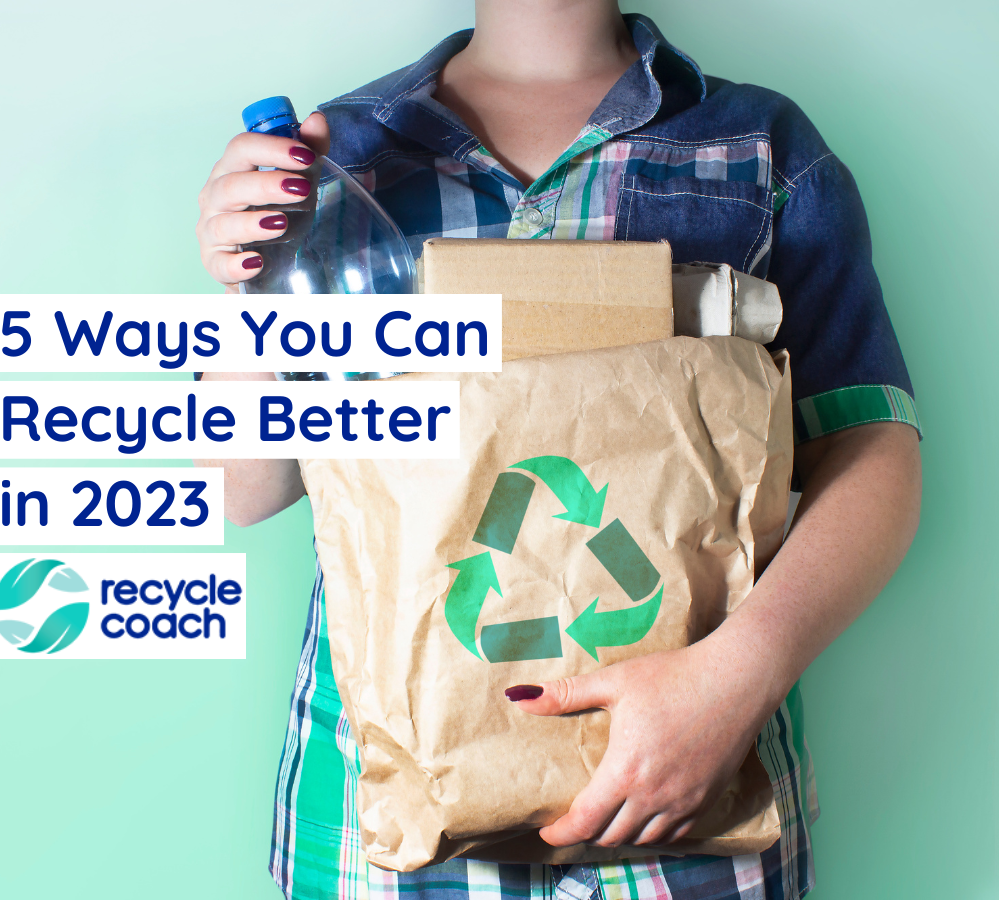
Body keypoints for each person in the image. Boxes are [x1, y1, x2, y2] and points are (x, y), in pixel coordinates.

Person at [194, 2, 922, 898]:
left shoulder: (760, 149)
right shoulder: (335, 162)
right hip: (383, 812)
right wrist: (243, 289)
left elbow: (871, 449)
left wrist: (737, 679)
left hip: (688, 809)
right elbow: (247, 488)